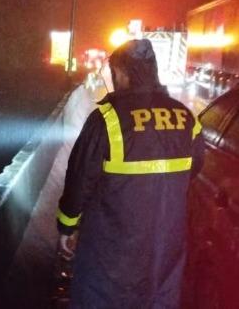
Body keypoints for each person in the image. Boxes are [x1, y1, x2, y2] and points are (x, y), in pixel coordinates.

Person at [56, 39, 205, 308]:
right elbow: (194, 169)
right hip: (166, 247)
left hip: (111, 250)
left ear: (122, 73)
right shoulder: (186, 118)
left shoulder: (107, 119)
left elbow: (79, 178)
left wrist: (67, 226)